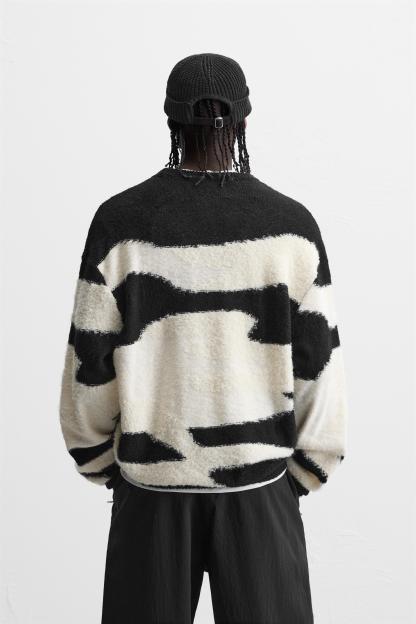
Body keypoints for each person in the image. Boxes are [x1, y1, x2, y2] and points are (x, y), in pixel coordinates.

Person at [59, 52, 348, 624]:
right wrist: (302, 473)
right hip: (261, 489)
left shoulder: (120, 224)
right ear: (243, 120)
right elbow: (320, 369)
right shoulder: (291, 229)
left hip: (150, 493)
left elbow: (88, 367)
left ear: (171, 121)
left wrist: (107, 465)